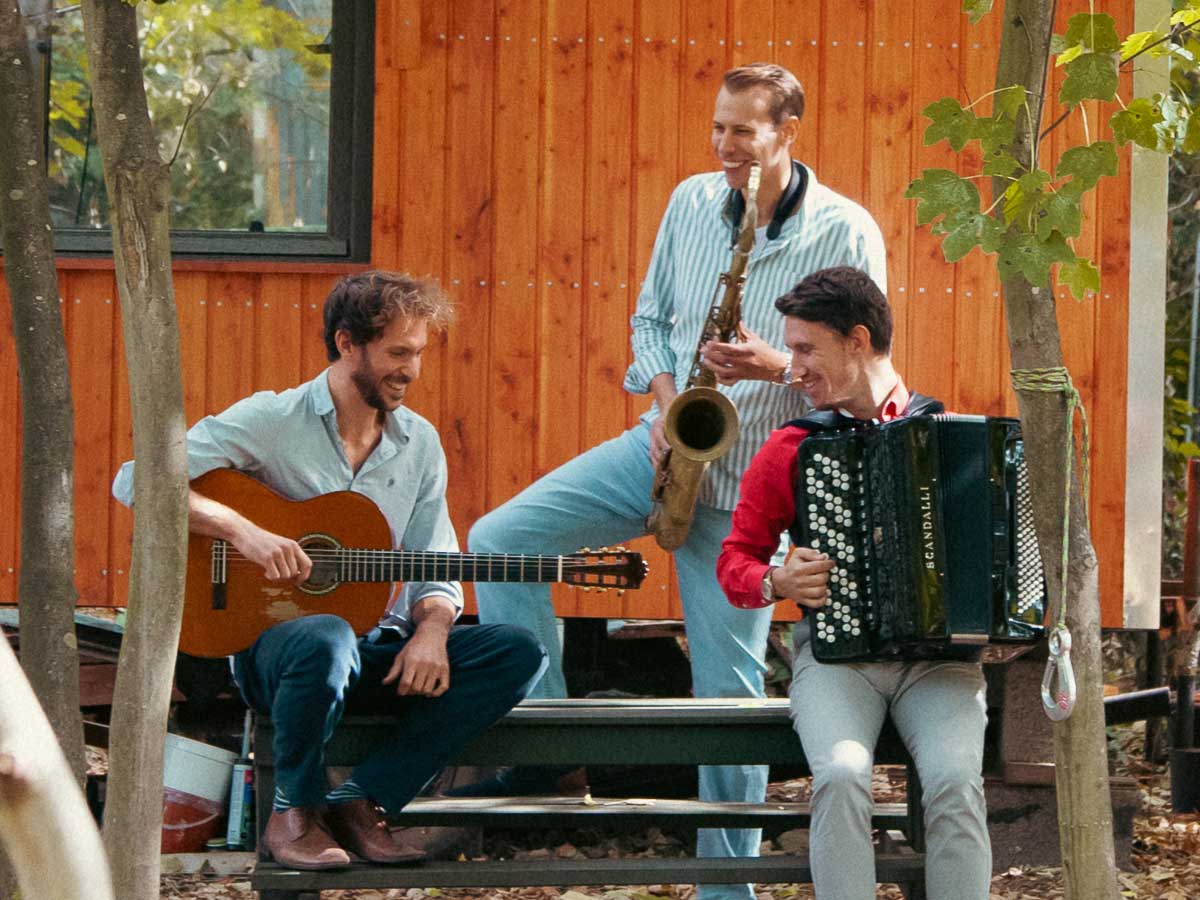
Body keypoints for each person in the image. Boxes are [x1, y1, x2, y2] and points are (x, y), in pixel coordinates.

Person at [465, 63, 886, 899]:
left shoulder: (846, 229)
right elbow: (652, 319)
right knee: (498, 541)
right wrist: (663, 408)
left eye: (744, 132)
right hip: (668, 440)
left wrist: (773, 363)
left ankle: (726, 892)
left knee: (725, 695)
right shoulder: (693, 203)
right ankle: (549, 749)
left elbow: (862, 364)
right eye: (718, 129)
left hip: (754, 481)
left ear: (788, 133)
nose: (725, 146)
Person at [112, 271, 545, 871]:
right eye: (398, 352)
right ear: (347, 344)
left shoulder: (419, 443)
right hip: (283, 653)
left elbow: (434, 557)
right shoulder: (273, 419)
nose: (411, 369)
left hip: (377, 650)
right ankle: (292, 811)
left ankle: (361, 799)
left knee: (518, 652)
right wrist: (244, 530)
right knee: (326, 635)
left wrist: (434, 630)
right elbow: (137, 479)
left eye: (418, 353)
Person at [716, 266, 992, 900]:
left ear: (858, 340)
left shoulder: (951, 439)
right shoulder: (791, 447)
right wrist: (777, 580)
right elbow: (735, 562)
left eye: (806, 348)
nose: (793, 365)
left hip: (939, 665)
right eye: (792, 349)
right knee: (841, 776)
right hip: (839, 662)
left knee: (955, 783)